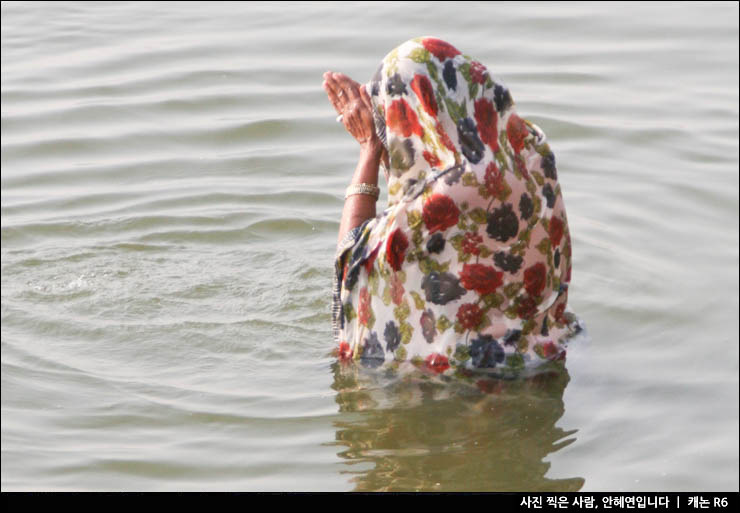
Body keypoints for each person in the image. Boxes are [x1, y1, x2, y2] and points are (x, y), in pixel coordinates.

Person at [324, 37, 580, 376]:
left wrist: (370, 148)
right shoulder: (531, 154)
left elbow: (352, 266)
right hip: (549, 354)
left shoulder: (444, 197)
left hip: (471, 384)